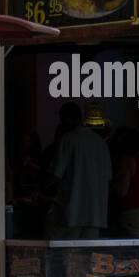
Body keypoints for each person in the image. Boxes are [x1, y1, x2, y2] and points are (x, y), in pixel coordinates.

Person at [48, 102, 112, 239]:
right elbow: (108, 177)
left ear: (66, 118)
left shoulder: (68, 139)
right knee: (87, 257)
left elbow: (56, 174)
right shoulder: (100, 143)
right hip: (96, 214)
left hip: (72, 213)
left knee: (66, 255)